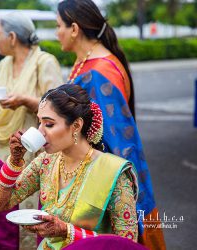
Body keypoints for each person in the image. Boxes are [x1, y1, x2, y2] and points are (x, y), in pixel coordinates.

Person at [56, 1, 165, 248]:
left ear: (74, 28)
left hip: (101, 186)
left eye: (58, 26)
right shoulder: (85, 61)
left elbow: (117, 141)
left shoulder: (100, 71)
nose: (56, 33)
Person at [0, 84, 139, 250]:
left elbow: (127, 243)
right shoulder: (46, 162)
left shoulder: (113, 173)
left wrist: (67, 232)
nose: (41, 131)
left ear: (76, 126)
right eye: (39, 122)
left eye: (49, 124)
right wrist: (15, 161)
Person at [0, 11, 63, 249]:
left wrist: (25, 100)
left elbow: (58, 109)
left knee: (26, 209)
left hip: (30, 148)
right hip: (0, 144)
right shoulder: (4, 63)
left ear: (12, 37)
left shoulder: (45, 63)